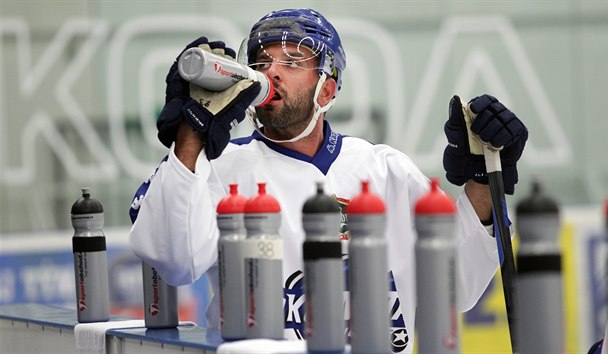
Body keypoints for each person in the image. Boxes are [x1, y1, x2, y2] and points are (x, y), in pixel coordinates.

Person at [128, 8, 528, 353]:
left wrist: (481, 178)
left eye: (292, 61)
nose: (271, 72)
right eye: (262, 63)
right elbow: (175, 260)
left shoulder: (386, 169)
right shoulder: (220, 169)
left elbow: (455, 283)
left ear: (327, 88)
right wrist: (190, 138)